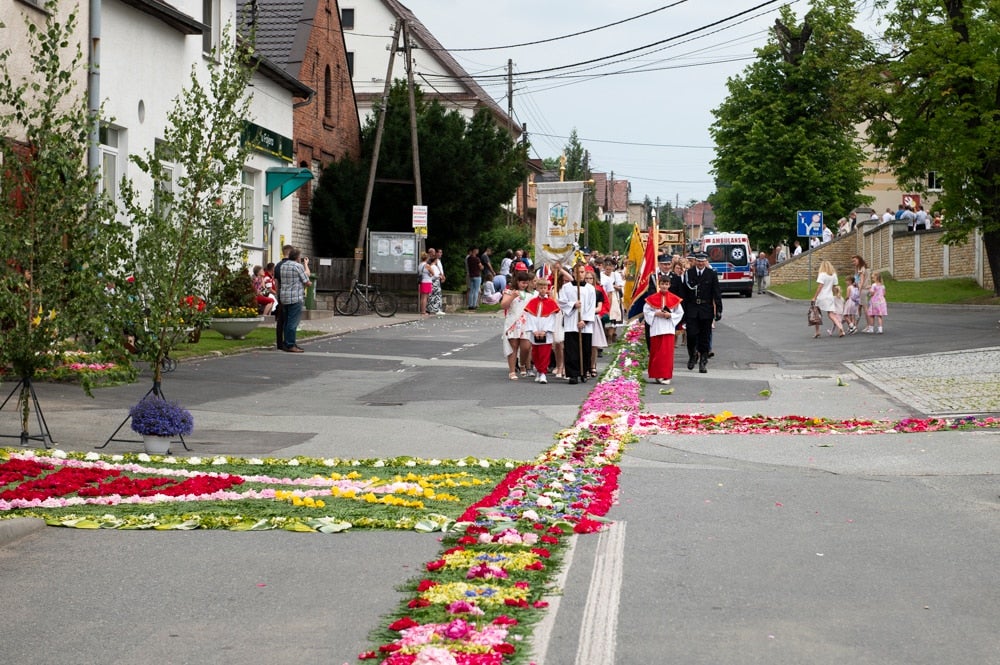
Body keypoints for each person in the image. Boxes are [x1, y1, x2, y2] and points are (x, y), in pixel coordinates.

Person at [680, 251, 722, 373]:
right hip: (692, 308)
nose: (700, 263)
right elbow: (684, 293)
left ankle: (703, 361)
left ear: (706, 261)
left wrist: (718, 309)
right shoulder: (689, 273)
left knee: (704, 336)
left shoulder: (711, 274)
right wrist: (683, 310)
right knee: (691, 334)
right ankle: (693, 355)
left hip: (706, 308)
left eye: (703, 261)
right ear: (695, 261)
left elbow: (716, 293)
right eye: (698, 261)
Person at [558, 262, 596, 385]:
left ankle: (584, 371)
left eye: (582, 272)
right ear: (573, 273)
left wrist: (584, 320)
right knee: (571, 350)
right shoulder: (566, 287)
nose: (580, 274)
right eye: (577, 272)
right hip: (571, 322)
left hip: (585, 324)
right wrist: (573, 305)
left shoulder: (590, 289)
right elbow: (562, 302)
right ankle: (572, 374)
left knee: (585, 349)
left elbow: (591, 306)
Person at [643, 276, 684, 385]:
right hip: (656, 328)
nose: (664, 286)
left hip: (668, 329)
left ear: (669, 285)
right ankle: (657, 374)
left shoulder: (674, 298)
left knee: (666, 354)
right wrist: (656, 313)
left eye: (666, 284)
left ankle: (666, 375)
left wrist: (669, 315)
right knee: (656, 353)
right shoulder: (652, 298)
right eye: (662, 284)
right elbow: (646, 311)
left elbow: (680, 313)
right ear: (659, 284)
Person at [523, 278, 561, 385]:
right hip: (535, 331)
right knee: (536, 352)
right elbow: (530, 316)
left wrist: (545, 330)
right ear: (537, 288)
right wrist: (534, 330)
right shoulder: (533, 302)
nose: (543, 290)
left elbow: (552, 318)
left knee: (545, 352)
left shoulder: (551, 302)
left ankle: (543, 372)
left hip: (546, 332)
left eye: (545, 288)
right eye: (541, 288)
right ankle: (539, 370)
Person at [500, 271, 534, 380]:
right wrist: (512, 297)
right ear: (517, 282)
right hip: (513, 322)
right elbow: (504, 305)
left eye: (526, 283)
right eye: (522, 283)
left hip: (526, 322)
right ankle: (512, 371)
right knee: (513, 346)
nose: (524, 285)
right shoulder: (509, 292)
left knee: (526, 347)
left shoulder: (532, 293)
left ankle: (523, 364)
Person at [277, 247, 310, 352]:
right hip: (295, 297)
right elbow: (306, 281)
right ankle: (291, 344)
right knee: (292, 322)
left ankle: (287, 343)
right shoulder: (297, 266)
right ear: (297, 257)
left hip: (284, 297)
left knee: (286, 321)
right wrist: (309, 283)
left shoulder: (283, 266)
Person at [584, 267, 608, 377]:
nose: (588, 280)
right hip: (583, 318)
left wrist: (589, 311)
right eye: (586, 278)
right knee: (585, 344)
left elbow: (599, 308)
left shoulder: (598, 292)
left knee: (593, 345)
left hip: (593, 318)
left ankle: (592, 365)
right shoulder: (581, 291)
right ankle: (585, 366)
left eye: (590, 278)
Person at [811, 260, 844, 338]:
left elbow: (820, 286)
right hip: (830, 296)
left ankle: (817, 331)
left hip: (822, 296)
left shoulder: (822, 274)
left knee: (816, 314)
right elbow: (834, 286)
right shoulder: (834, 275)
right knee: (831, 314)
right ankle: (840, 327)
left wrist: (814, 297)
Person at [272, 244, 293, 350]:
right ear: (290, 253)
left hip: (280, 294)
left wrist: (277, 294)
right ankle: (288, 341)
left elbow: (276, 282)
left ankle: (279, 342)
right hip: (290, 295)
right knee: (290, 319)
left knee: (280, 320)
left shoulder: (278, 265)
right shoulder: (291, 265)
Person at [600, 257, 624, 344]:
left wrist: (612, 286)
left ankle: (612, 334)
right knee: (606, 316)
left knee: (614, 315)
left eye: (610, 269)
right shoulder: (601, 275)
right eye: (607, 269)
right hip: (603, 296)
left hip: (614, 296)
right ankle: (607, 334)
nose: (608, 270)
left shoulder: (616, 275)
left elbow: (620, 286)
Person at [852, 255, 871, 332]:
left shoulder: (862, 268)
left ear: (859, 260)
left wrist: (859, 292)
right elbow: (858, 280)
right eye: (853, 261)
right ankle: (855, 326)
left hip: (863, 290)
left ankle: (869, 326)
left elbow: (862, 281)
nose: (853, 262)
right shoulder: (860, 268)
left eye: (855, 261)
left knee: (865, 308)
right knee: (859, 308)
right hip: (864, 289)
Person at [418, 249, 439, 317]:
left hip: (422, 282)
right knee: (425, 297)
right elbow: (433, 273)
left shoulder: (420, 265)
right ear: (426, 258)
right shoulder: (427, 265)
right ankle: (424, 312)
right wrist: (430, 274)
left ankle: (422, 311)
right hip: (427, 282)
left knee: (422, 297)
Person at [466, 246, 482, 310]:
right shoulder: (477, 259)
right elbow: (481, 267)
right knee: (476, 291)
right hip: (477, 275)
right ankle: (474, 305)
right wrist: (481, 267)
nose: (478, 251)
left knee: (471, 290)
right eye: (477, 250)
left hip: (471, 275)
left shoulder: (468, 258)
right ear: (474, 251)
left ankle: (470, 305)